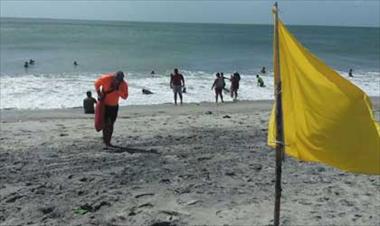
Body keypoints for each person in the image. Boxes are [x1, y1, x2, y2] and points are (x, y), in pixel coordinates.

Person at [95, 71, 128, 147]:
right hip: (104, 105)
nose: (117, 81)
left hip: (114, 106)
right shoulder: (106, 78)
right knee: (106, 123)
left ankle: (107, 140)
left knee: (111, 124)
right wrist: (98, 93)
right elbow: (96, 84)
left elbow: (125, 96)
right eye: (116, 79)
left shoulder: (123, 84)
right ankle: (106, 141)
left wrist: (118, 91)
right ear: (114, 77)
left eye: (120, 80)